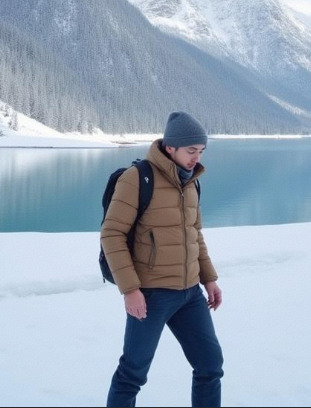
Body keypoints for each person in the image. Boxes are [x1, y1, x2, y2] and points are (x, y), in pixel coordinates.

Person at [101, 110, 224, 407]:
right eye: (191, 151)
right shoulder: (137, 178)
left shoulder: (192, 182)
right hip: (151, 294)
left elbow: (195, 233)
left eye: (201, 151)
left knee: (210, 366)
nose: (197, 157)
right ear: (171, 148)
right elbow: (112, 234)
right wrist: (130, 289)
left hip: (190, 294)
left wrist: (209, 279)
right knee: (132, 374)